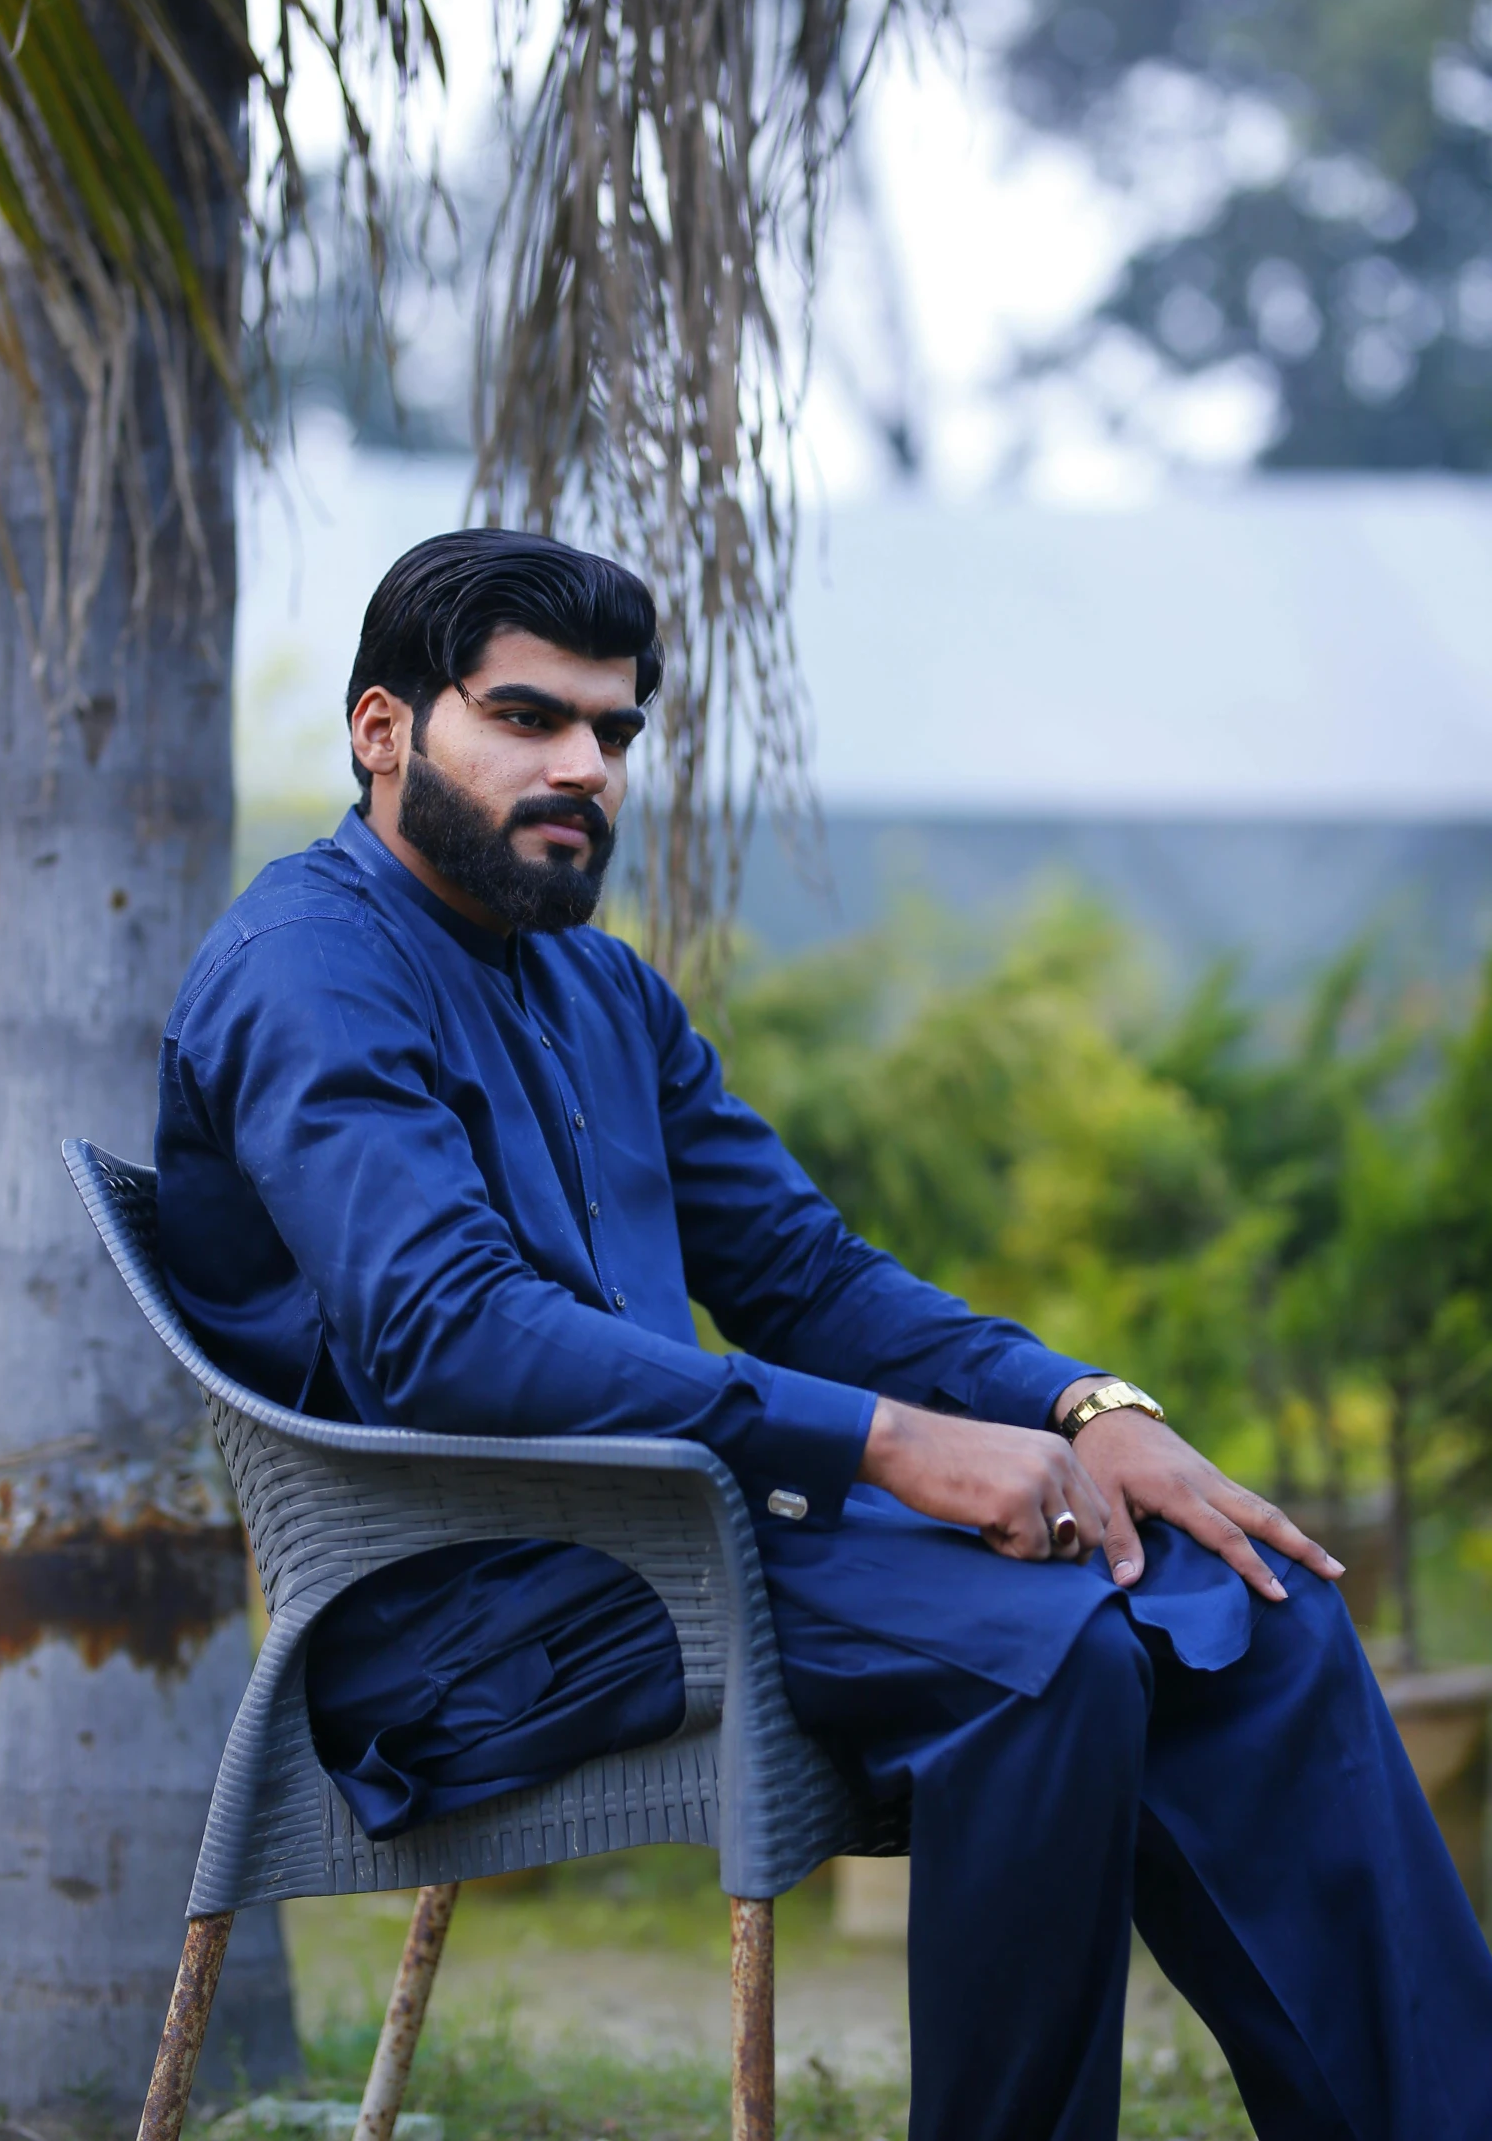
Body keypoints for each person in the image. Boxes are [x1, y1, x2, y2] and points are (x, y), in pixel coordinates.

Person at [157, 530, 1492, 2141]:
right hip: (473, 1601)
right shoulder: (306, 966)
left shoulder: (600, 992)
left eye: (614, 729)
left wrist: (1084, 1403)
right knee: (1046, 1651)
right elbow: (452, 1332)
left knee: (1247, 1603)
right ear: (384, 731)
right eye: (527, 717)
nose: (584, 764)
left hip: (698, 1532)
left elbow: (806, 1274)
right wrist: (890, 1444)